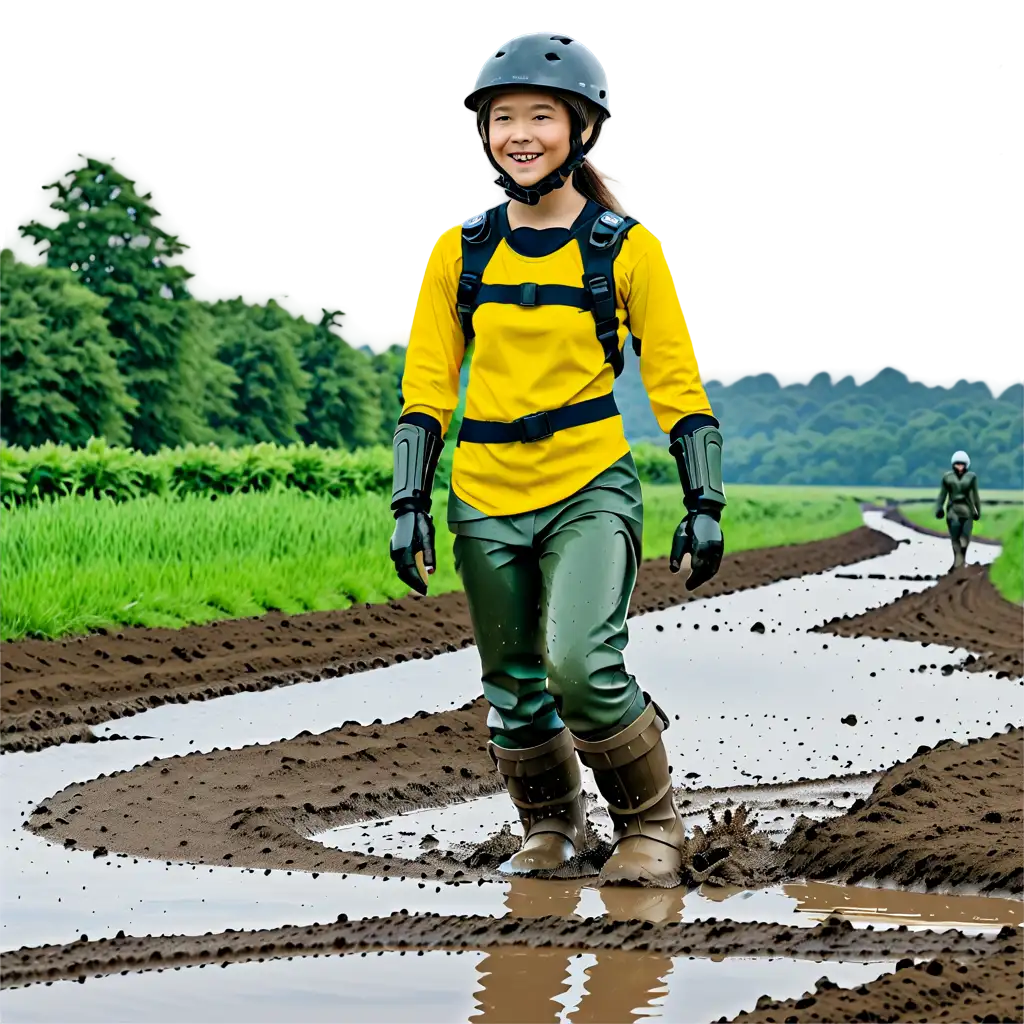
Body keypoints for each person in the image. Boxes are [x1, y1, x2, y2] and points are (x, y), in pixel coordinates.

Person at [388, 31, 726, 888]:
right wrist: (409, 502)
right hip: (484, 496)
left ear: (581, 130)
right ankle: (553, 829)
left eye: (542, 115)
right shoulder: (455, 250)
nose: (521, 133)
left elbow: (676, 379)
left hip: (588, 485)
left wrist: (704, 500)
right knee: (512, 681)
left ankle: (652, 826)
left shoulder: (627, 247)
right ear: (485, 135)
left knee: (580, 663)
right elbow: (427, 387)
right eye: (504, 118)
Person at [935, 450, 981, 570]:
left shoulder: (971, 478)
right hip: (952, 512)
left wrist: (978, 511)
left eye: (962, 465)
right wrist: (939, 508)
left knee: (965, 538)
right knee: (955, 538)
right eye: (957, 464)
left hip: (967, 511)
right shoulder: (947, 478)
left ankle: (960, 561)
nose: (959, 467)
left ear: (966, 465)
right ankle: (958, 562)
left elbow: (975, 495)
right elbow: (942, 495)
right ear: (953, 465)